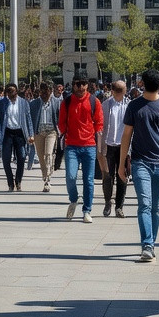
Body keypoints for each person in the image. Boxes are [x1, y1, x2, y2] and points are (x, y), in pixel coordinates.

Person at [119, 69, 159, 261]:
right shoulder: (135, 106)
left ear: (142, 83)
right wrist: (122, 163)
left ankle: (151, 242)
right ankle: (147, 244)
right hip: (140, 161)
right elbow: (127, 135)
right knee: (145, 204)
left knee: (156, 206)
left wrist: (120, 165)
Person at [58, 77, 104, 223]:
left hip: (89, 146)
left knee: (88, 180)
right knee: (71, 177)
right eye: (78, 84)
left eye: (83, 84)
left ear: (87, 86)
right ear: (73, 85)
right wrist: (65, 132)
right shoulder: (67, 102)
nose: (80, 87)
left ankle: (87, 210)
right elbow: (61, 122)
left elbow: (99, 121)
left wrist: (96, 135)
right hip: (71, 145)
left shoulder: (94, 101)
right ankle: (73, 199)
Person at [98, 81, 129, 218]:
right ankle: (107, 202)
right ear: (112, 91)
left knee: (122, 176)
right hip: (109, 144)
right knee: (108, 175)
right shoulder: (106, 105)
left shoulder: (129, 105)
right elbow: (101, 126)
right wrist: (100, 146)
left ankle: (119, 206)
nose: (119, 93)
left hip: (123, 145)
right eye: (116, 90)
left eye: (121, 90)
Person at [0, 83, 32, 194]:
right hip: (7, 132)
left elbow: (28, 118)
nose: (11, 93)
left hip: (20, 132)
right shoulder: (2, 103)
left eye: (13, 91)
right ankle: (10, 182)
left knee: (21, 157)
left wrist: (31, 134)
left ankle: (18, 181)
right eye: (9, 91)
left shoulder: (23, 103)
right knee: (6, 159)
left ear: (16, 91)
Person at [28, 83, 60, 192]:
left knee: (48, 154)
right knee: (41, 157)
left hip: (51, 132)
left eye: (46, 92)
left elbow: (59, 117)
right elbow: (30, 120)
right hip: (39, 132)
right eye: (42, 93)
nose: (44, 95)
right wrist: (31, 134)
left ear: (50, 92)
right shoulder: (34, 104)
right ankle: (44, 176)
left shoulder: (56, 103)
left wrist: (60, 131)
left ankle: (48, 179)